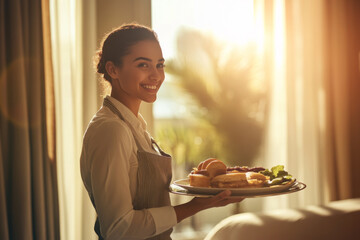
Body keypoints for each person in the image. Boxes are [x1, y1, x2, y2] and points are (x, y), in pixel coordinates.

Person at [80, 23, 244, 240]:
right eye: (143, 65)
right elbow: (118, 229)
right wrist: (193, 207)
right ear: (113, 70)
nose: (156, 76)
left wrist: (206, 182)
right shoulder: (112, 130)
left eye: (160, 65)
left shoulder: (135, 126)